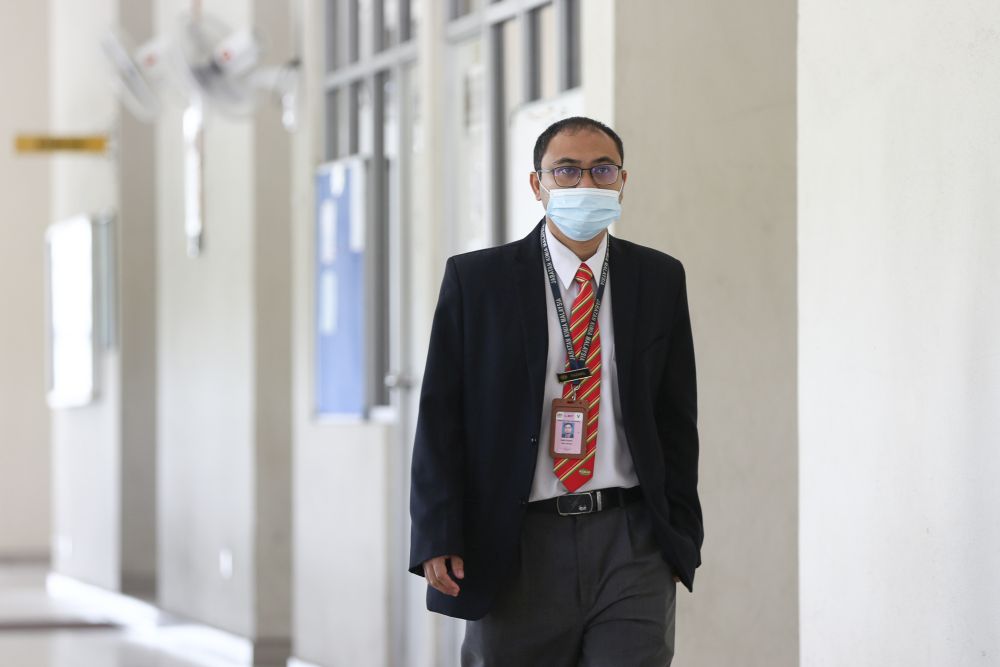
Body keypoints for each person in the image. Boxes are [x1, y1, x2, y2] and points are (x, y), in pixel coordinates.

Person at [409, 116, 702, 666]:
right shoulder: (478, 282)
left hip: (631, 539)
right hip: (516, 538)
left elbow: (676, 417)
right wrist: (436, 531)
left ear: (622, 181)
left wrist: (680, 532)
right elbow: (440, 418)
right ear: (536, 185)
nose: (584, 184)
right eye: (565, 171)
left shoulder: (658, 278)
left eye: (601, 170)